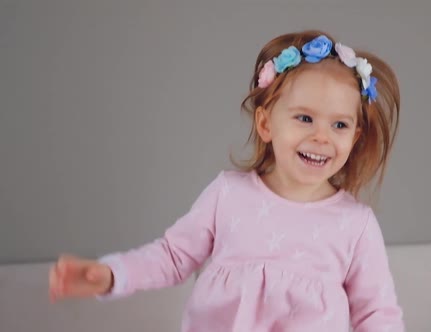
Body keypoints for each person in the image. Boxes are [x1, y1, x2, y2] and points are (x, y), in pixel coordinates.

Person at [49, 30, 405, 331]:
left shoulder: (355, 225)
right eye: (305, 118)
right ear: (266, 124)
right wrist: (112, 274)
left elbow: (378, 314)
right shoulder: (229, 195)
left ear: (355, 136)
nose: (322, 137)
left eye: (339, 124)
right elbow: (173, 256)